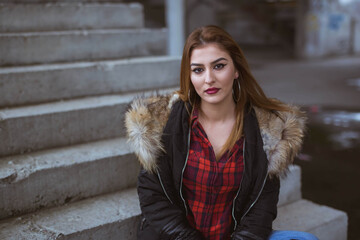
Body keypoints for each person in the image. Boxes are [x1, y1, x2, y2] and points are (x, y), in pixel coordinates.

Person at [125, 25, 318, 240]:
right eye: (198, 70)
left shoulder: (266, 132)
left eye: (218, 66)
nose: (209, 79)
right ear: (189, 76)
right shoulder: (164, 122)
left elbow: (262, 208)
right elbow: (152, 197)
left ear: (236, 70)